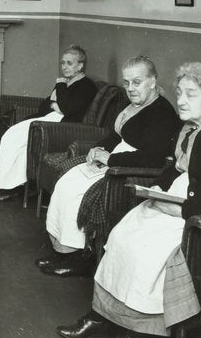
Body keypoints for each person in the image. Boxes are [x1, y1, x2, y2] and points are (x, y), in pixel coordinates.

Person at [57, 62, 201, 338]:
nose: (181, 100)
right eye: (180, 92)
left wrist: (183, 207)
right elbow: (174, 170)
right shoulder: (191, 129)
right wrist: (155, 191)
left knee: (146, 251)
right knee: (121, 235)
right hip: (175, 201)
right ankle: (103, 317)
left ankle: (142, 336)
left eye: (191, 95)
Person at [38, 55, 179, 277]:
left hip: (127, 169)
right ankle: (61, 249)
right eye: (127, 82)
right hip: (113, 159)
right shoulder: (133, 106)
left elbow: (152, 158)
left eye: (137, 82)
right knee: (67, 181)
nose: (130, 88)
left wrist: (110, 159)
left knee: (77, 192)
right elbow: (115, 136)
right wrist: (98, 148)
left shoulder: (161, 112)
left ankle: (78, 257)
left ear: (152, 81)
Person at [0, 45, 97, 202]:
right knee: (12, 135)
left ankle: (12, 186)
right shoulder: (66, 82)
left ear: (80, 66)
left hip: (61, 126)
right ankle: (11, 184)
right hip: (51, 117)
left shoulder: (85, 85)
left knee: (16, 138)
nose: (65, 67)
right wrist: (55, 104)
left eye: (69, 63)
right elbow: (45, 105)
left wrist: (60, 89)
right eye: (63, 63)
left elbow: (68, 109)